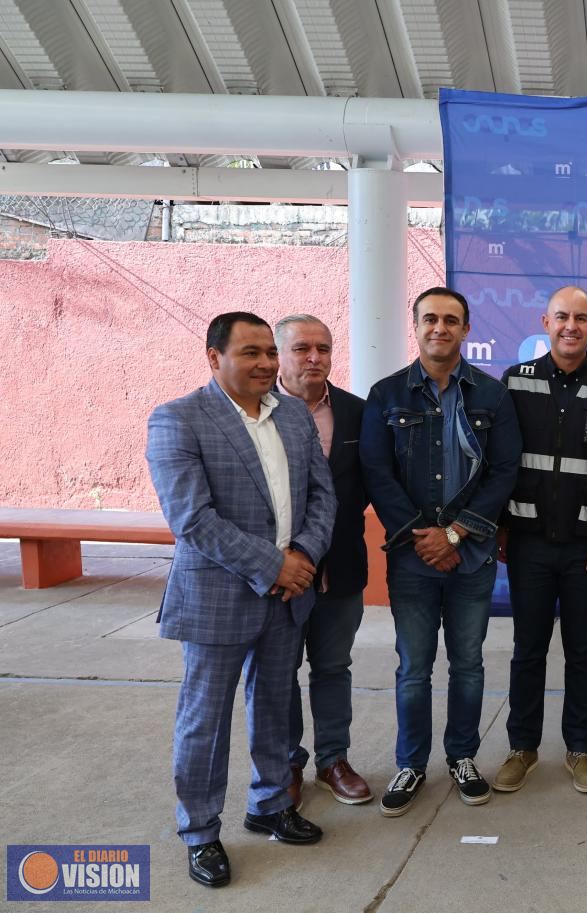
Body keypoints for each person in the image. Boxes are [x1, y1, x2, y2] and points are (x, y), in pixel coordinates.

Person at [146, 312, 336, 888]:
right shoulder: (178, 419)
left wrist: (300, 556)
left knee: (277, 707)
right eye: (250, 353)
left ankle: (271, 804)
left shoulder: (296, 415)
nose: (266, 364)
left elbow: (322, 496)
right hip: (218, 597)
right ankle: (200, 832)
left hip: (288, 595)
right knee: (205, 721)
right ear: (213, 357)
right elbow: (192, 519)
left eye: (269, 355)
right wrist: (274, 564)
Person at [360, 286, 520, 816]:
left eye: (451, 320)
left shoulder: (493, 396)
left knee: (469, 664)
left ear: (466, 330)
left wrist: (455, 534)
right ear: (416, 324)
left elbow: (503, 473)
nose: (440, 328)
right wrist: (424, 538)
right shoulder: (386, 396)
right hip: (411, 559)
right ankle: (410, 763)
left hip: (471, 557)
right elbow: (377, 475)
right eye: (430, 318)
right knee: (414, 667)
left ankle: (463, 757)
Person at [495, 287, 587, 795]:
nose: (570, 326)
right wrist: (502, 528)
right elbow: (500, 464)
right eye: (561, 317)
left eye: (581, 318)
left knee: (583, 650)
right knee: (528, 650)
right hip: (529, 544)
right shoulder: (515, 382)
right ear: (545, 322)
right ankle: (522, 748)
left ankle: (579, 749)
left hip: (586, 549)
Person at [275, 314, 373, 808]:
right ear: (279, 355)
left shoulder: (358, 413)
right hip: (280, 575)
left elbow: (378, 483)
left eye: (323, 348)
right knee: (280, 670)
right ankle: (288, 762)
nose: (314, 358)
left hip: (342, 569)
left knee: (334, 666)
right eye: (301, 349)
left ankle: (333, 759)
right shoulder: (257, 412)